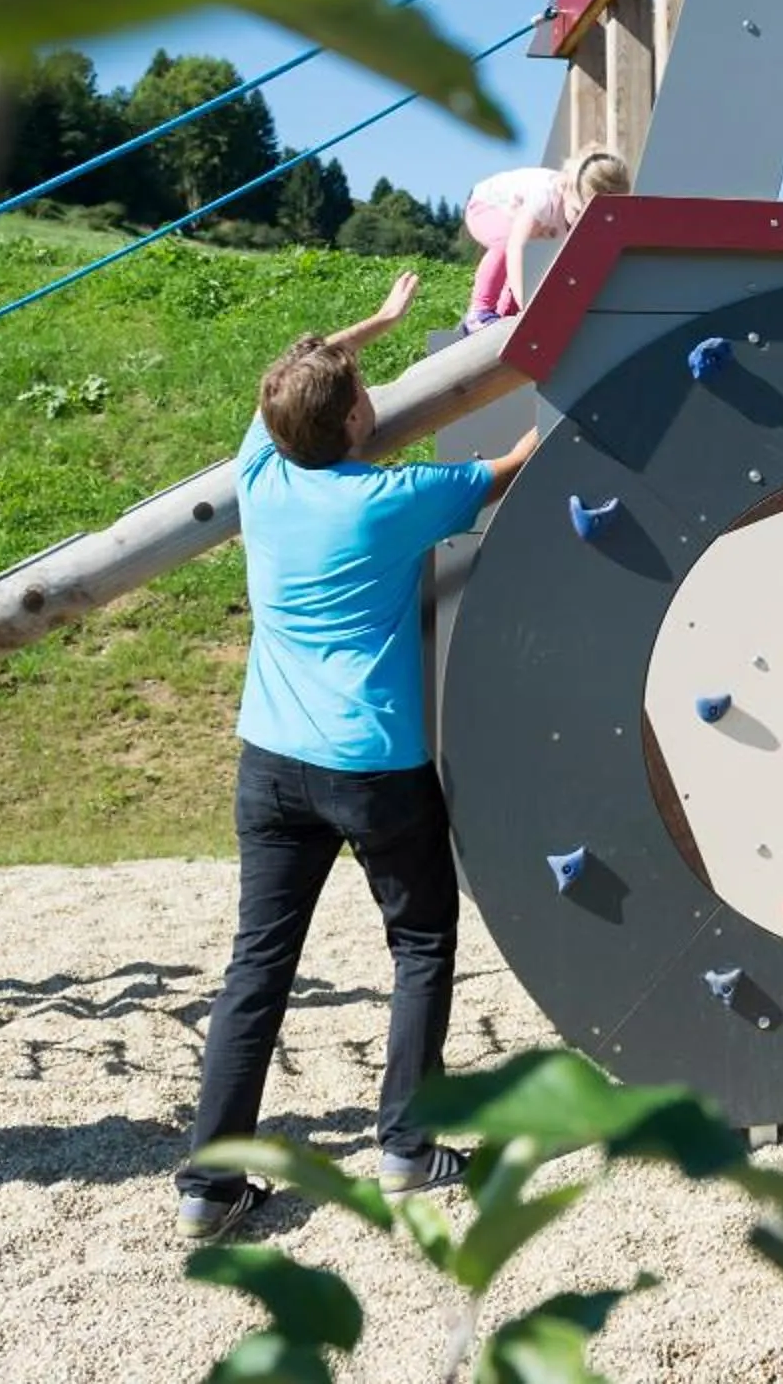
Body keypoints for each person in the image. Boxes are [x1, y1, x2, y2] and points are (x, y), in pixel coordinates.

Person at [174, 269, 541, 1241]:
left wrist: (371, 328)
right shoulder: (390, 499)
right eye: (360, 391)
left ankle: (208, 1187)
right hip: (371, 766)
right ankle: (408, 1145)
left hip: (270, 762)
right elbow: (515, 461)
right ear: (349, 426)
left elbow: (281, 391)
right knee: (421, 941)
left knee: (258, 965)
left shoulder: (260, 473)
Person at [460, 149, 630, 332]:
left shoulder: (574, 203)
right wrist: (525, 304)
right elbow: (516, 249)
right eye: (578, 212)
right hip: (485, 206)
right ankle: (479, 312)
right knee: (507, 243)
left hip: (524, 221)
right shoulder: (543, 199)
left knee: (533, 255)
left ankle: (502, 314)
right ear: (565, 190)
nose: (583, 222)